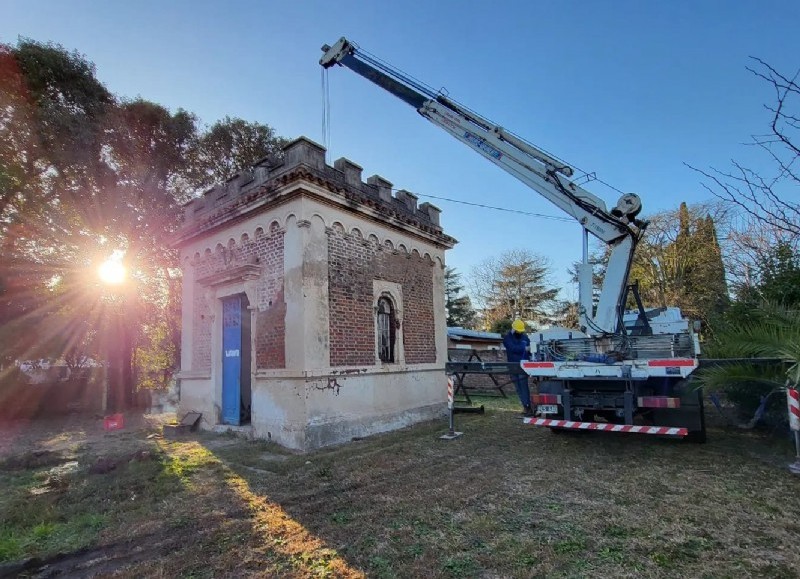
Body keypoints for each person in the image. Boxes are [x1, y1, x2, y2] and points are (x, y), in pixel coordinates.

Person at [503, 319, 533, 417]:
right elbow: (512, 349)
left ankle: (528, 406)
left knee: (523, 386)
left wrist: (530, 350)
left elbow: (530, 347)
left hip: (524, 366)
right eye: (518, 331)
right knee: (518, 387)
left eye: (521, 331)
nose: (519, 332)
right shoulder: (507, 338)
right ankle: (525, 406)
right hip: (513, 366)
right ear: (513, 329)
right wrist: (525, 348)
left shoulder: (525, 337)